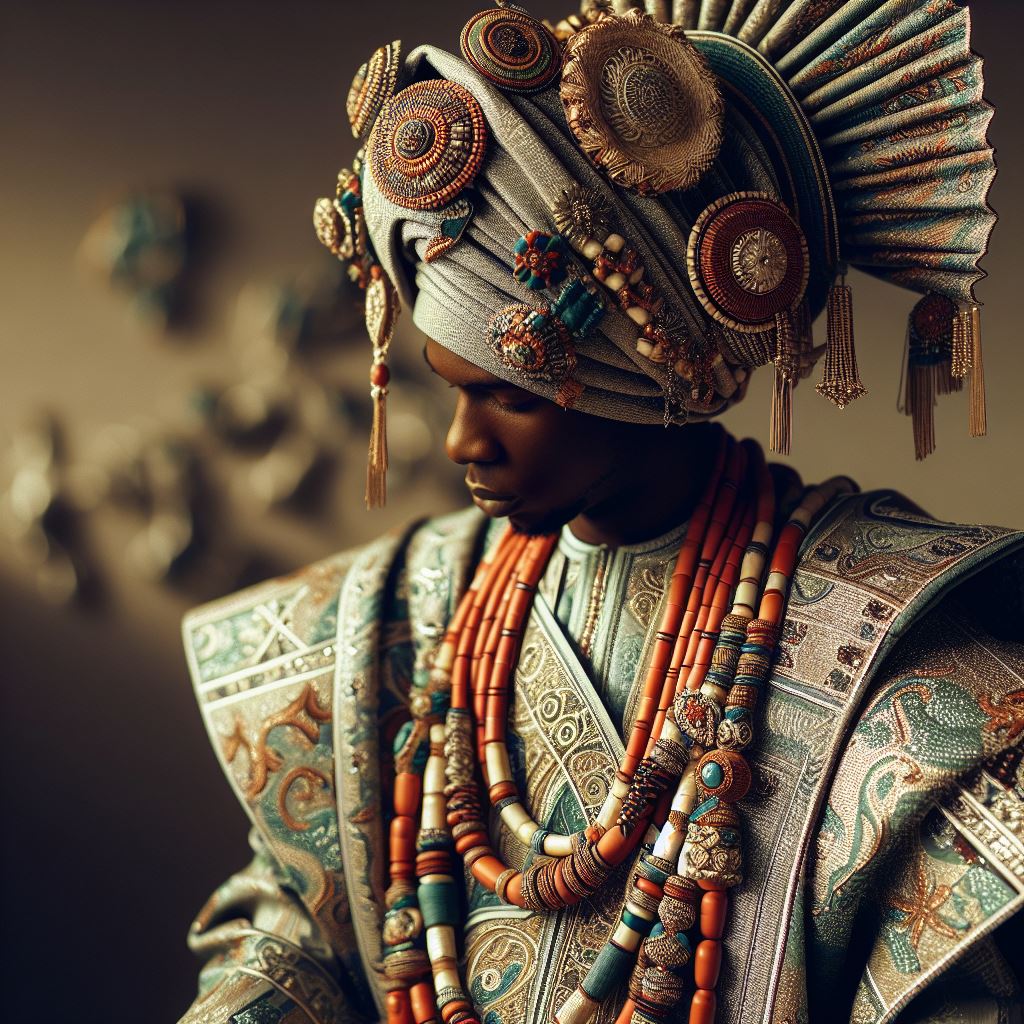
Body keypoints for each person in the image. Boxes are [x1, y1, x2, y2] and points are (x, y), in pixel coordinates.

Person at [178, 4, 1024, 1023]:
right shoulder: (398, 613)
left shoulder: (895, 668)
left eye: (512, 394)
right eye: (449, 387)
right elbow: (294, 917)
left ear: (653, 372)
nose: (461, 443)